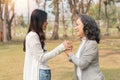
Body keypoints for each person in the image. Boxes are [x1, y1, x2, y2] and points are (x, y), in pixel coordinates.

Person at [23, 9, 72, 80]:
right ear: (39, 22)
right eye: (45, 20)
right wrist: (61, 47)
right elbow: (41, 58)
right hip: (39, 74)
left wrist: (63, 47)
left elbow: (42, 56)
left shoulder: (35, 35)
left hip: (42, 72)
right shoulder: (32, 36)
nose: (47, 23)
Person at [65, 14, 105, 80]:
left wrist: (69, 53)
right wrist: (69, 52)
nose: (75, 28)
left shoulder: (92, 44)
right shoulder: (83, 42)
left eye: (77, 25)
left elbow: (82, 64)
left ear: (86, 26)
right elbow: (78, 60)